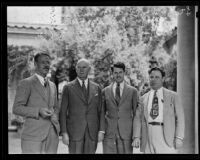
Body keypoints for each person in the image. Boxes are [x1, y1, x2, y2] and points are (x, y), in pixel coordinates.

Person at [12, 51, 60, 154]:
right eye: (43, 62)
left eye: (48, 62)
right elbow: (16, 108)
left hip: (52, 136)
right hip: (33, 136)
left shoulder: (52, 85)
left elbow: (55, 107)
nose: (46, 65)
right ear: (35, 64)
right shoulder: (26, 83)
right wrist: (38, 111)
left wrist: (55, 117)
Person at [132, 67, 185, 154]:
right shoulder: (143, 98)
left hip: (166, 134)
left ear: (163, 79)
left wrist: (179, 137)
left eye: (157, 77)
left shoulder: (173, 96)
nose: (154, 79)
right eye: (151, 77)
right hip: (147, 134)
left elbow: (180, 118)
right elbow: (137, 118)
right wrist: (136, 137)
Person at [59, 58, 102, 154]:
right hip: (74, 133)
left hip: (92, 132)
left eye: (84, 67)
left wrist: (101, 131)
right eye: (79, 67)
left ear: (89, 69)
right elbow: (62, 112)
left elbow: (101, 111)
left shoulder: (97, 87)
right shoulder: (68, 87)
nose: (81, 70)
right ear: (76, 69)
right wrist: (64, 133)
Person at [99, 62, 138, 154]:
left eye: (120, 72)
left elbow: (137, 115)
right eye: (115, 73)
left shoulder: (133, 91)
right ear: (112, 74)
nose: (118, 75)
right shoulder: (105, 91)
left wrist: (136, 135)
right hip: (109, 134)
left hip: (126, 134)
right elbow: (101, 113)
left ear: (124, 73)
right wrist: (101, 131)